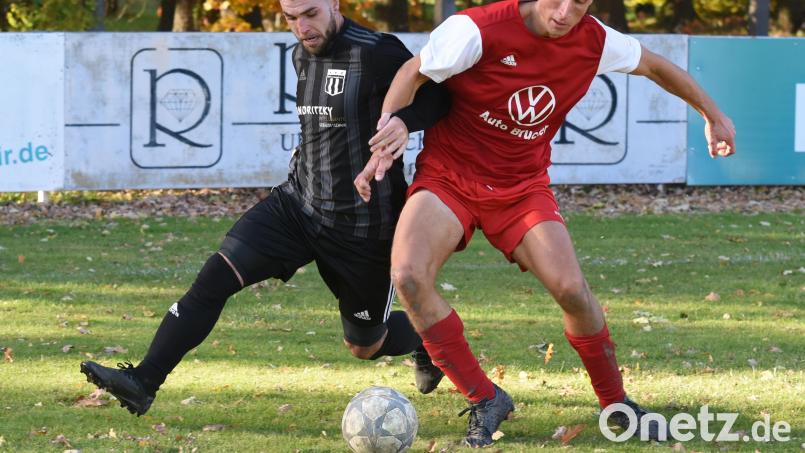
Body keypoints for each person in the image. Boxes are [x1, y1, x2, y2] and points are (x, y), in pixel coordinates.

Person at [356, 0, 736, 447]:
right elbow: (412, 73)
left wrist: (714, 115)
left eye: (579, 4)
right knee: (409, 276)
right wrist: (390, 129)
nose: (564, 12)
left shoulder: (594, 40)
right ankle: (485, 398)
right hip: (450, 177)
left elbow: (654, 66)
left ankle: (616, 404)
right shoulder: (476, 29)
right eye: (557, 0)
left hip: (521, 187)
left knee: (573, 290)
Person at [80, 0, 450, 416]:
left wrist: (404, 122)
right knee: (215, 277)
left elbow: (440, 99)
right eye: (291, 18)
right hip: (297, 206)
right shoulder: (300, 55)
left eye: (310, 14)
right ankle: (143, 381)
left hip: (364, 227)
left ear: (334, 4)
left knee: (365, 345)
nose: (301, 28)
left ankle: (424, 340)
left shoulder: (377, 51)